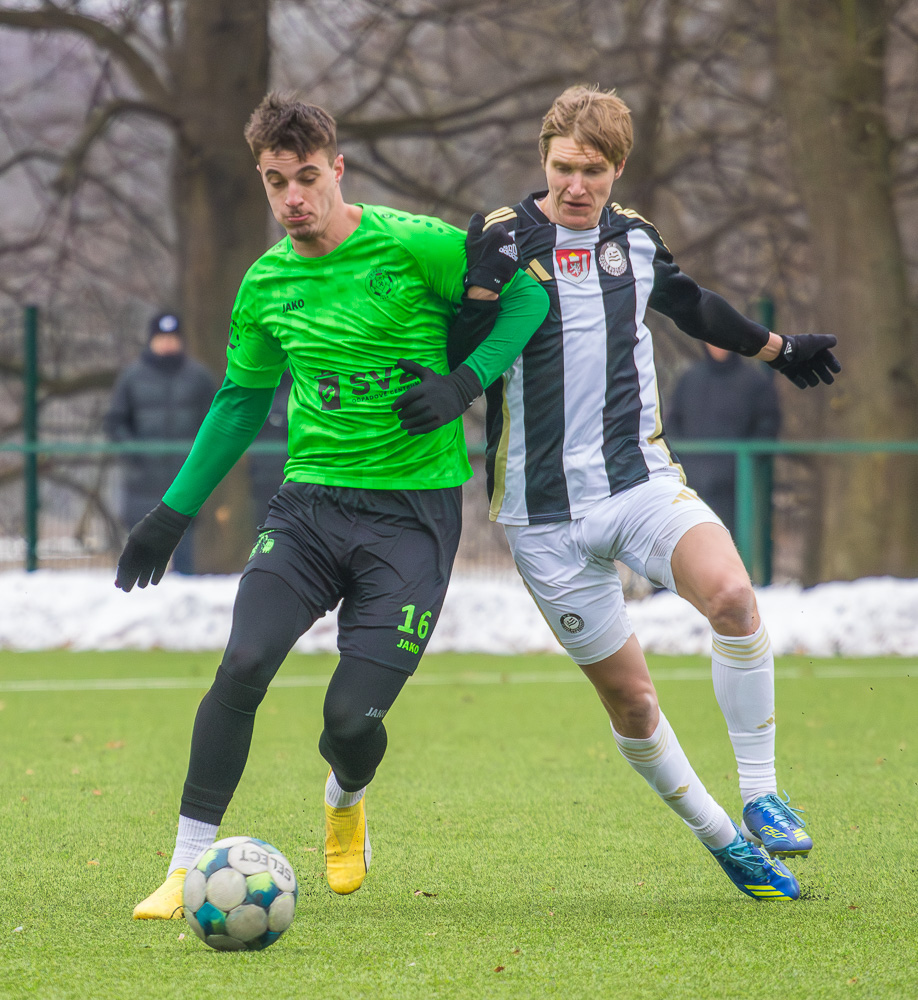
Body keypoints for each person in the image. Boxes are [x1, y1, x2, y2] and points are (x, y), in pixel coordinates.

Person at [117, 93, 549, 918]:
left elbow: (527, 301)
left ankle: (345, 795)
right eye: (276, 181)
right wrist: (171, 515)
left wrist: (464, 382)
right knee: (242, 664)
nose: (293, 198)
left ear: (337, 168)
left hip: (413, 518)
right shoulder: (265, 284)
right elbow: (239, 406)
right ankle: (183, 865)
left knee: (349, 722)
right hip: (309, 509)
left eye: (307, 177)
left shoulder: (415, 244)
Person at [450, 85, 840, 901]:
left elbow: (690, 303)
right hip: (540, 516)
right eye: (563, 168)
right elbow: (458, 350)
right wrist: (474, 304)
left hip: (638, 483)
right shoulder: (501, 238)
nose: (575, 186)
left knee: (733, 596)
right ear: (543, 159)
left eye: (592, 171)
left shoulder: (632, 237)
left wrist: (776, 348)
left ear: (617, 169)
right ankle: (725, 840)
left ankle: (763, 794)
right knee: (631, 701)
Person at [104, 313, 217, 574]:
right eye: (162, 337)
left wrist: (199, 459)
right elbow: (115, 423)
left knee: (186, 557)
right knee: (138, 558)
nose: (167, 343)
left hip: (187, 480)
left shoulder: (199, 377)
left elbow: (214, 422)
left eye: (172, 337)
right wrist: (134, 454)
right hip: (142, 483)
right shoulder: (131, 377)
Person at [667, 342, 781, 534]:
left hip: (736, 489)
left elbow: (767, 426)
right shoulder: (690, 379)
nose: (718, 347)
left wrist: (742, 462)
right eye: (712, 341)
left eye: (722, 341)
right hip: (691, 485)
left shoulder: (754, 382)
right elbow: (673, 423)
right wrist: (684, 463)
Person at [248, 368, 292, 525]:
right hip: (259, 476)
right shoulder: (254, 384)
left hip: (288, 477)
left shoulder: (294, 387)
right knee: (262, 522)